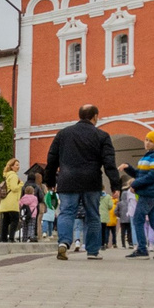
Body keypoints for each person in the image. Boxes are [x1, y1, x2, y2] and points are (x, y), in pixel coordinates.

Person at [46, 104, 123, 261]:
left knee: (66, 212)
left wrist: (50, 181)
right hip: (91, 181)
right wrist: (116, 185)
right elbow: (109, 163)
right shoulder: (102, 135)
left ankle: (64, 243)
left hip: (67, 181)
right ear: (95, 116)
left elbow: (52, 159)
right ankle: (93, 251)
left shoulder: (63, 134)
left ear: (80, 115)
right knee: (93, 215)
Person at [127, 133, 154, 258]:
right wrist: (128, 168)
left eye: (150, 141)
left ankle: (142, 249)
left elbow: (153, 175)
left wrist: (135, 184)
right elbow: (140, 174)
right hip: (153, 194)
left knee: (138, 219)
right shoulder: (149, 157)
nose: (147, 142)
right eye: (146, 140)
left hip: (149, 194)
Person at [0, 156, 24, 242]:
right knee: (15, 219)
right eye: (16, 165)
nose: (18, 166)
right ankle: (11, 238)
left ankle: (3, 238)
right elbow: (14, 188)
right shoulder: (13, 176)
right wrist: (21, 184)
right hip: (12, 201)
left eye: (18, 165)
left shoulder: (8, 176)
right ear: (12, 166)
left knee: (6, 220)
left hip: (6, 201)